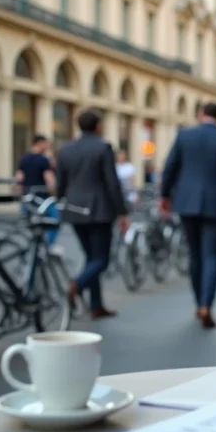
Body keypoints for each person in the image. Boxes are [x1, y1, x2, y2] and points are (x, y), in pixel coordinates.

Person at [160, 101, 216, 329]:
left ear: (200, 114)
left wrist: (164, 196)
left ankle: (198, 301)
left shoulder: (184, 136)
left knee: (194, 255)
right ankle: (206, 305)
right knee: (211, 256)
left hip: (187, 202)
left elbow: (170, 167)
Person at [58, 110, 129, 319]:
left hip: (74, 209)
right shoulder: (103, 147)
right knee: (100, 260)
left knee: (91, 256)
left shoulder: (66, 149)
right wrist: (122, 211)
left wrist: (63, 200)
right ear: (97, 126)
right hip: (99, 210)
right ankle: (77, 284)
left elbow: (61, 182)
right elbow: (111, 182)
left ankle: (96, 305)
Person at [16, 135, 59, 245]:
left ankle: (32, 248)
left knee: (29, 224)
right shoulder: (43, 159)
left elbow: (19, 178)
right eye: (46, 143)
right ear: (39, 143)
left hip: (28, 196)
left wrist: (21, 194)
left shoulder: (24, 158)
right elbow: (49, 179)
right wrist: (54, 194)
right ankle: (46, 246)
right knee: (55, 220)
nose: (47, 146)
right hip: (42, 197)